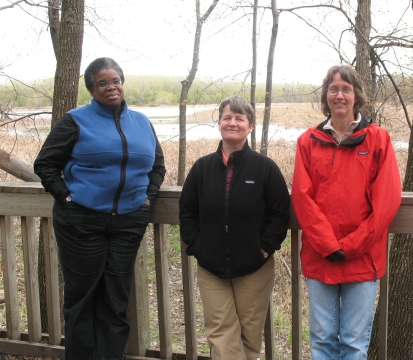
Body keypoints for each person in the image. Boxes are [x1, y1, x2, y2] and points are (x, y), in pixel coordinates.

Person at [34, 57, 166, 360]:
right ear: (91, 89)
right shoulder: (75, 121)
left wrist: (148, 197)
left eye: (115, 80)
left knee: (116, 300)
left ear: (122, 82)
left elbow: (157, 166)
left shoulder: (142, 123)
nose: (111, 87)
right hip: (82, 222)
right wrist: (67, 199)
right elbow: (45, 164)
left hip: (128, 223)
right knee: (83, 299)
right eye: (102, 83)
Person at [291, 65, 401, 360]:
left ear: (356, 96)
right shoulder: (308, 141)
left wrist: (351, 245)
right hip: (320, 256)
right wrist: (329, 245)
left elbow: (387, 201)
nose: (339, 95)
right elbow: (302, 199)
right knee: (322, 341)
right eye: (333, 89)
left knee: (354, 344)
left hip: (363, 259)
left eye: (346, 89)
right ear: (326, 96)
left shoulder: (378, 139)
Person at [179, 96, 290, 360]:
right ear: (219, 123)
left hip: (255, 267)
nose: (233, 123)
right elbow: (187, 211)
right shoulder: (202, 168)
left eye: (240, 118)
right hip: (211, 267)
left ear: (250, 126)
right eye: (227, 117)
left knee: (250, 335)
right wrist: (197, 247)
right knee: (220, 332)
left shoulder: (265, 168)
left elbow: (279, 215)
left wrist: (263, 249)